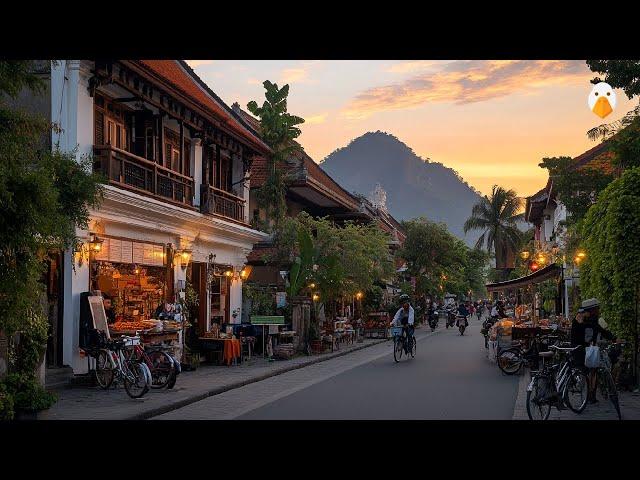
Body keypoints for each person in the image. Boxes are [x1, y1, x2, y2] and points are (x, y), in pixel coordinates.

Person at [570, 299, 615, 404]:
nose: (598, 310)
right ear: (592, 310)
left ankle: (591, 395)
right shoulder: (579, 319)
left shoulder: (593, 320)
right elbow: (577, 335)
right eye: (597, 309)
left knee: (593, 371)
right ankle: (590, 395)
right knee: (590, 371)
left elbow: (601, 330)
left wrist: (613, 338)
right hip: (580, 350)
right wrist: (580, 323)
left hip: (590, 350)